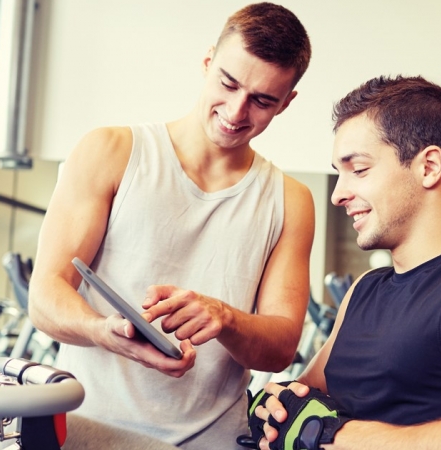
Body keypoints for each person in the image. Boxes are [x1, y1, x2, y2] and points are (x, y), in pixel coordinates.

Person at [28, 3, 314, 449]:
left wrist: (226, 319)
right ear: (207, 62)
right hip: (89, 431)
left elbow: (280, 349)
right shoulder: (111, 151)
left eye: (262, 101)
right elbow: (45, 296)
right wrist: (103, 331)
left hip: (212, 441)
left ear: (287, 102)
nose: (236, 111)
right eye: (228, 83)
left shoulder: (291, 201)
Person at [250, 75, 441, 450]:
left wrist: (336, 436)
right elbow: (302, 397)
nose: (338, 194)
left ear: (429, 167)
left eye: (358, 170)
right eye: (338, 174)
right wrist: (275, 406)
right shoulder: (364, 290)